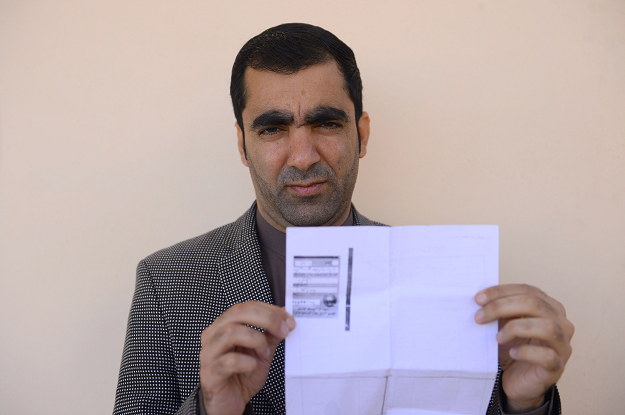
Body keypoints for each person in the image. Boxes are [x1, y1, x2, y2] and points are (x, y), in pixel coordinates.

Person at [113, 23, 573, 415]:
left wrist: (524, 404)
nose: (303, 156)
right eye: (273, 128)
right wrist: (209, 409)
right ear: (242, 144)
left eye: (327, 123)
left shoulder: (441, 280)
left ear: (361, 133)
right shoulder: (166, 282)